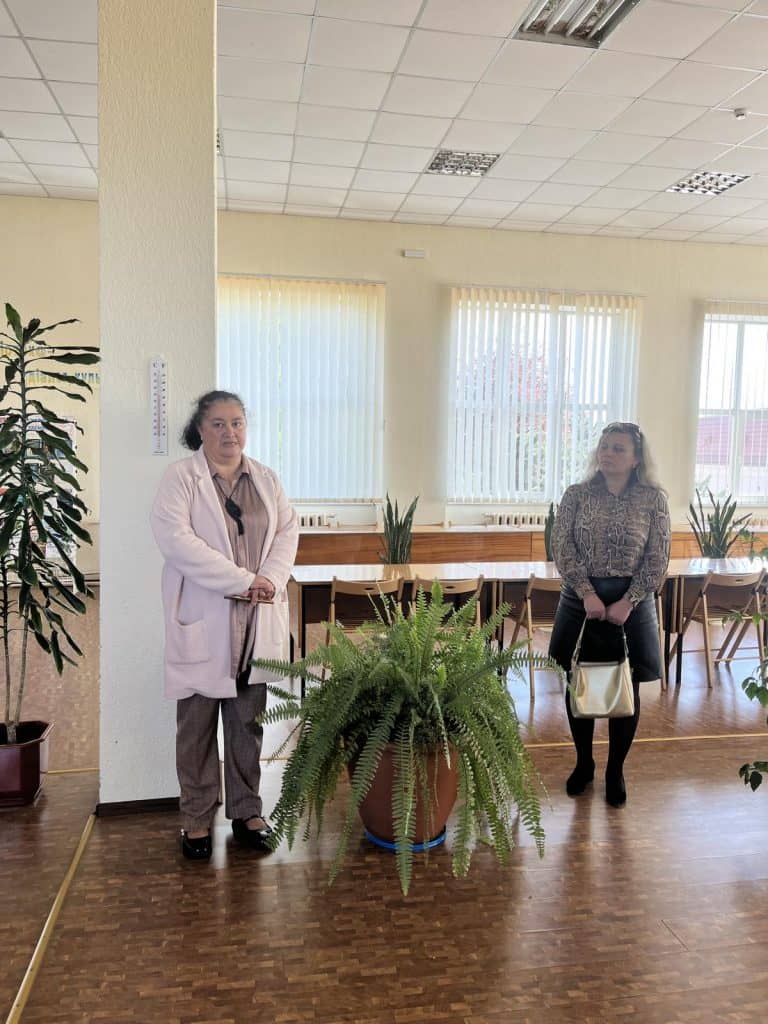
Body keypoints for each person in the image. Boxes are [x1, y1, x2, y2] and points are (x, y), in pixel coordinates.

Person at [151, 390, 298, 860]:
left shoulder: (266, 479)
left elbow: (287, 531)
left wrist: (269, 579)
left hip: (256, 620)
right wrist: (243, 581)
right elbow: (177, 542)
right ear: (200, 430)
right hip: (205, 617)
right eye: (218, 424)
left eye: (236, 423)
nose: (229, 433)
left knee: (247, 725)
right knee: (195, 729)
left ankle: (247, 812)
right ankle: (196, 819)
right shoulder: (181, 479)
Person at [548, 422, 670, 808]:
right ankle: (584, 763)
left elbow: (658, 556)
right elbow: (561, 546)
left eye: (618, 448)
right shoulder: (577, 494)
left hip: (632, 603)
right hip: (580, 600)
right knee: (579, 682)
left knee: (626, 687)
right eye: (604, 446)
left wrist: (629, 600)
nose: (608, 453)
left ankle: (615, 770)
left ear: (636, 459)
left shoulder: (653, 499)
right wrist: (586, 593)